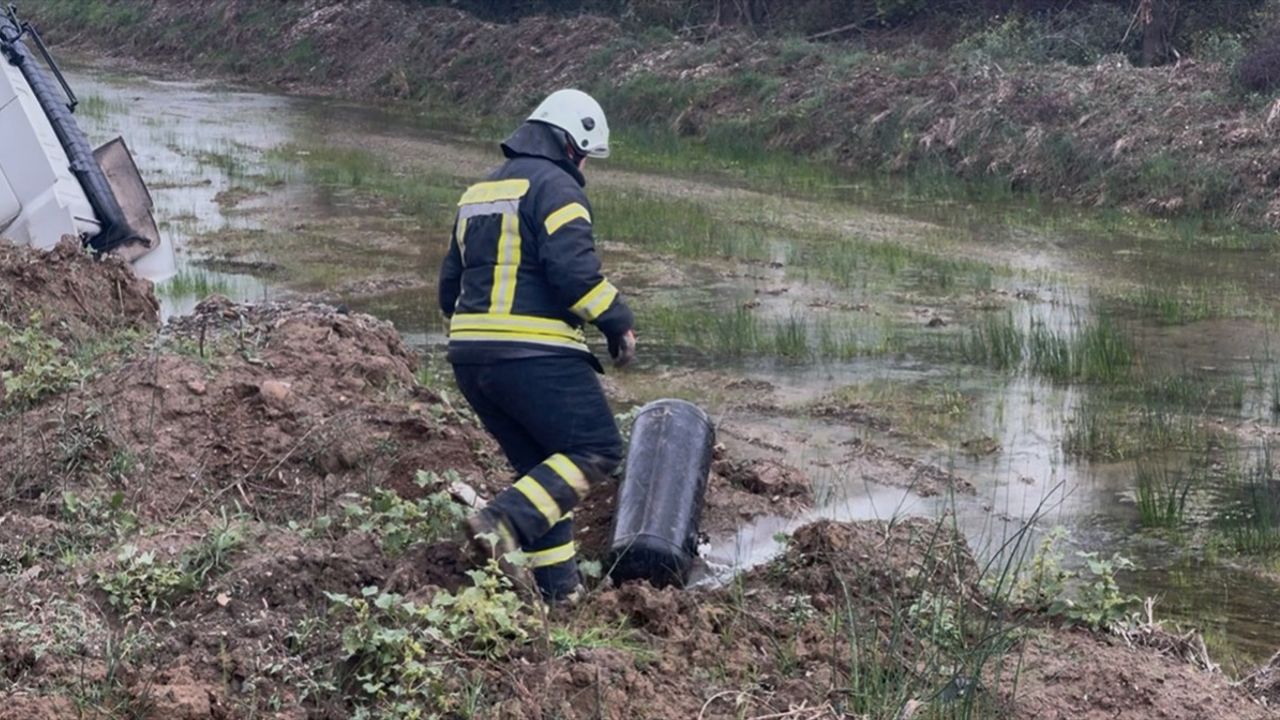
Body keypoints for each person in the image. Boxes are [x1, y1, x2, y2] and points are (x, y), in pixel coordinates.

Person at [437, 89, 637, 603]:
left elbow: (447, 290)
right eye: (587, 154)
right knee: (597, 448)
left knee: (544, 477)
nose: (586, 166)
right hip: (535, 356)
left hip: (470, 361)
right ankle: (498, 523)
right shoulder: (559, 190)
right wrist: (618, 321)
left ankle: (558, 593)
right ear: (572, 144)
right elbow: (574, 275)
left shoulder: (476, 193)